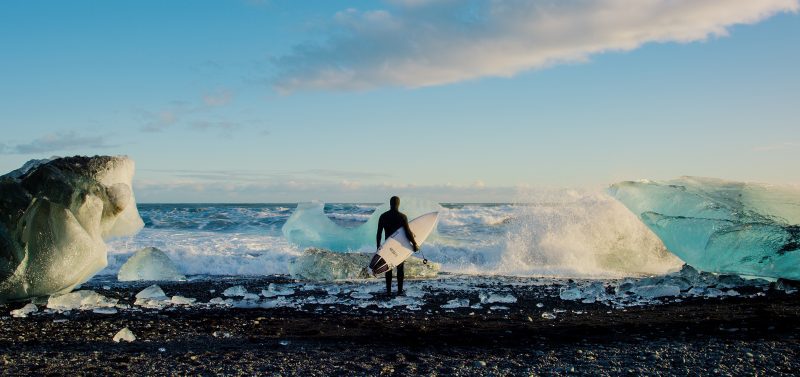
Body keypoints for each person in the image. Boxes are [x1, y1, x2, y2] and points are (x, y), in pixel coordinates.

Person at [376, 196, 419, 296]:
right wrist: (414, 244)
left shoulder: (383, 216)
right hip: (399, 246)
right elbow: (408, 232)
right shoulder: (402, 216)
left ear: (390, 204)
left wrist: (378, 246)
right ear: (398, 204)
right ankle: (399, 291)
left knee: (388, 268)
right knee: (400, 268)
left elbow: (379, 233)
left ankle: (389, 291)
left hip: (387, 245)